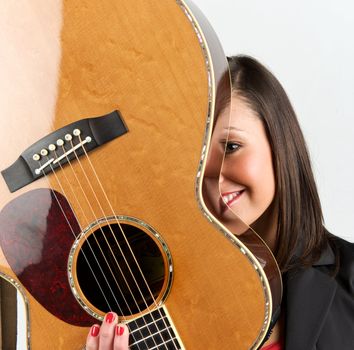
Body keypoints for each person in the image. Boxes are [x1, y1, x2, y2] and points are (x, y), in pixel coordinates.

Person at [85, 55, 354, 350]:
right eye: (191, 156)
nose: (208, 174)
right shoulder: (132, 296)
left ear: (280, 143)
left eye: (231, 146)